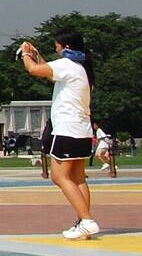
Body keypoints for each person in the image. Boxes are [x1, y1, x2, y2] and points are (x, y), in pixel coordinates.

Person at [20, 31, 100, 240]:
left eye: (56, 45)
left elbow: (34, 70)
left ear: (65, 47)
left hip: (67, 130)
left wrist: (25, 55)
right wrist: (37, 54)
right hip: (82, 130)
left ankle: (87, 221)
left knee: (59, 176)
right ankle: (84, 221)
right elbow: (49, 71)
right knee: (78, 178)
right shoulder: (82, 69)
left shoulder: (66, 65)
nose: (55, 48)